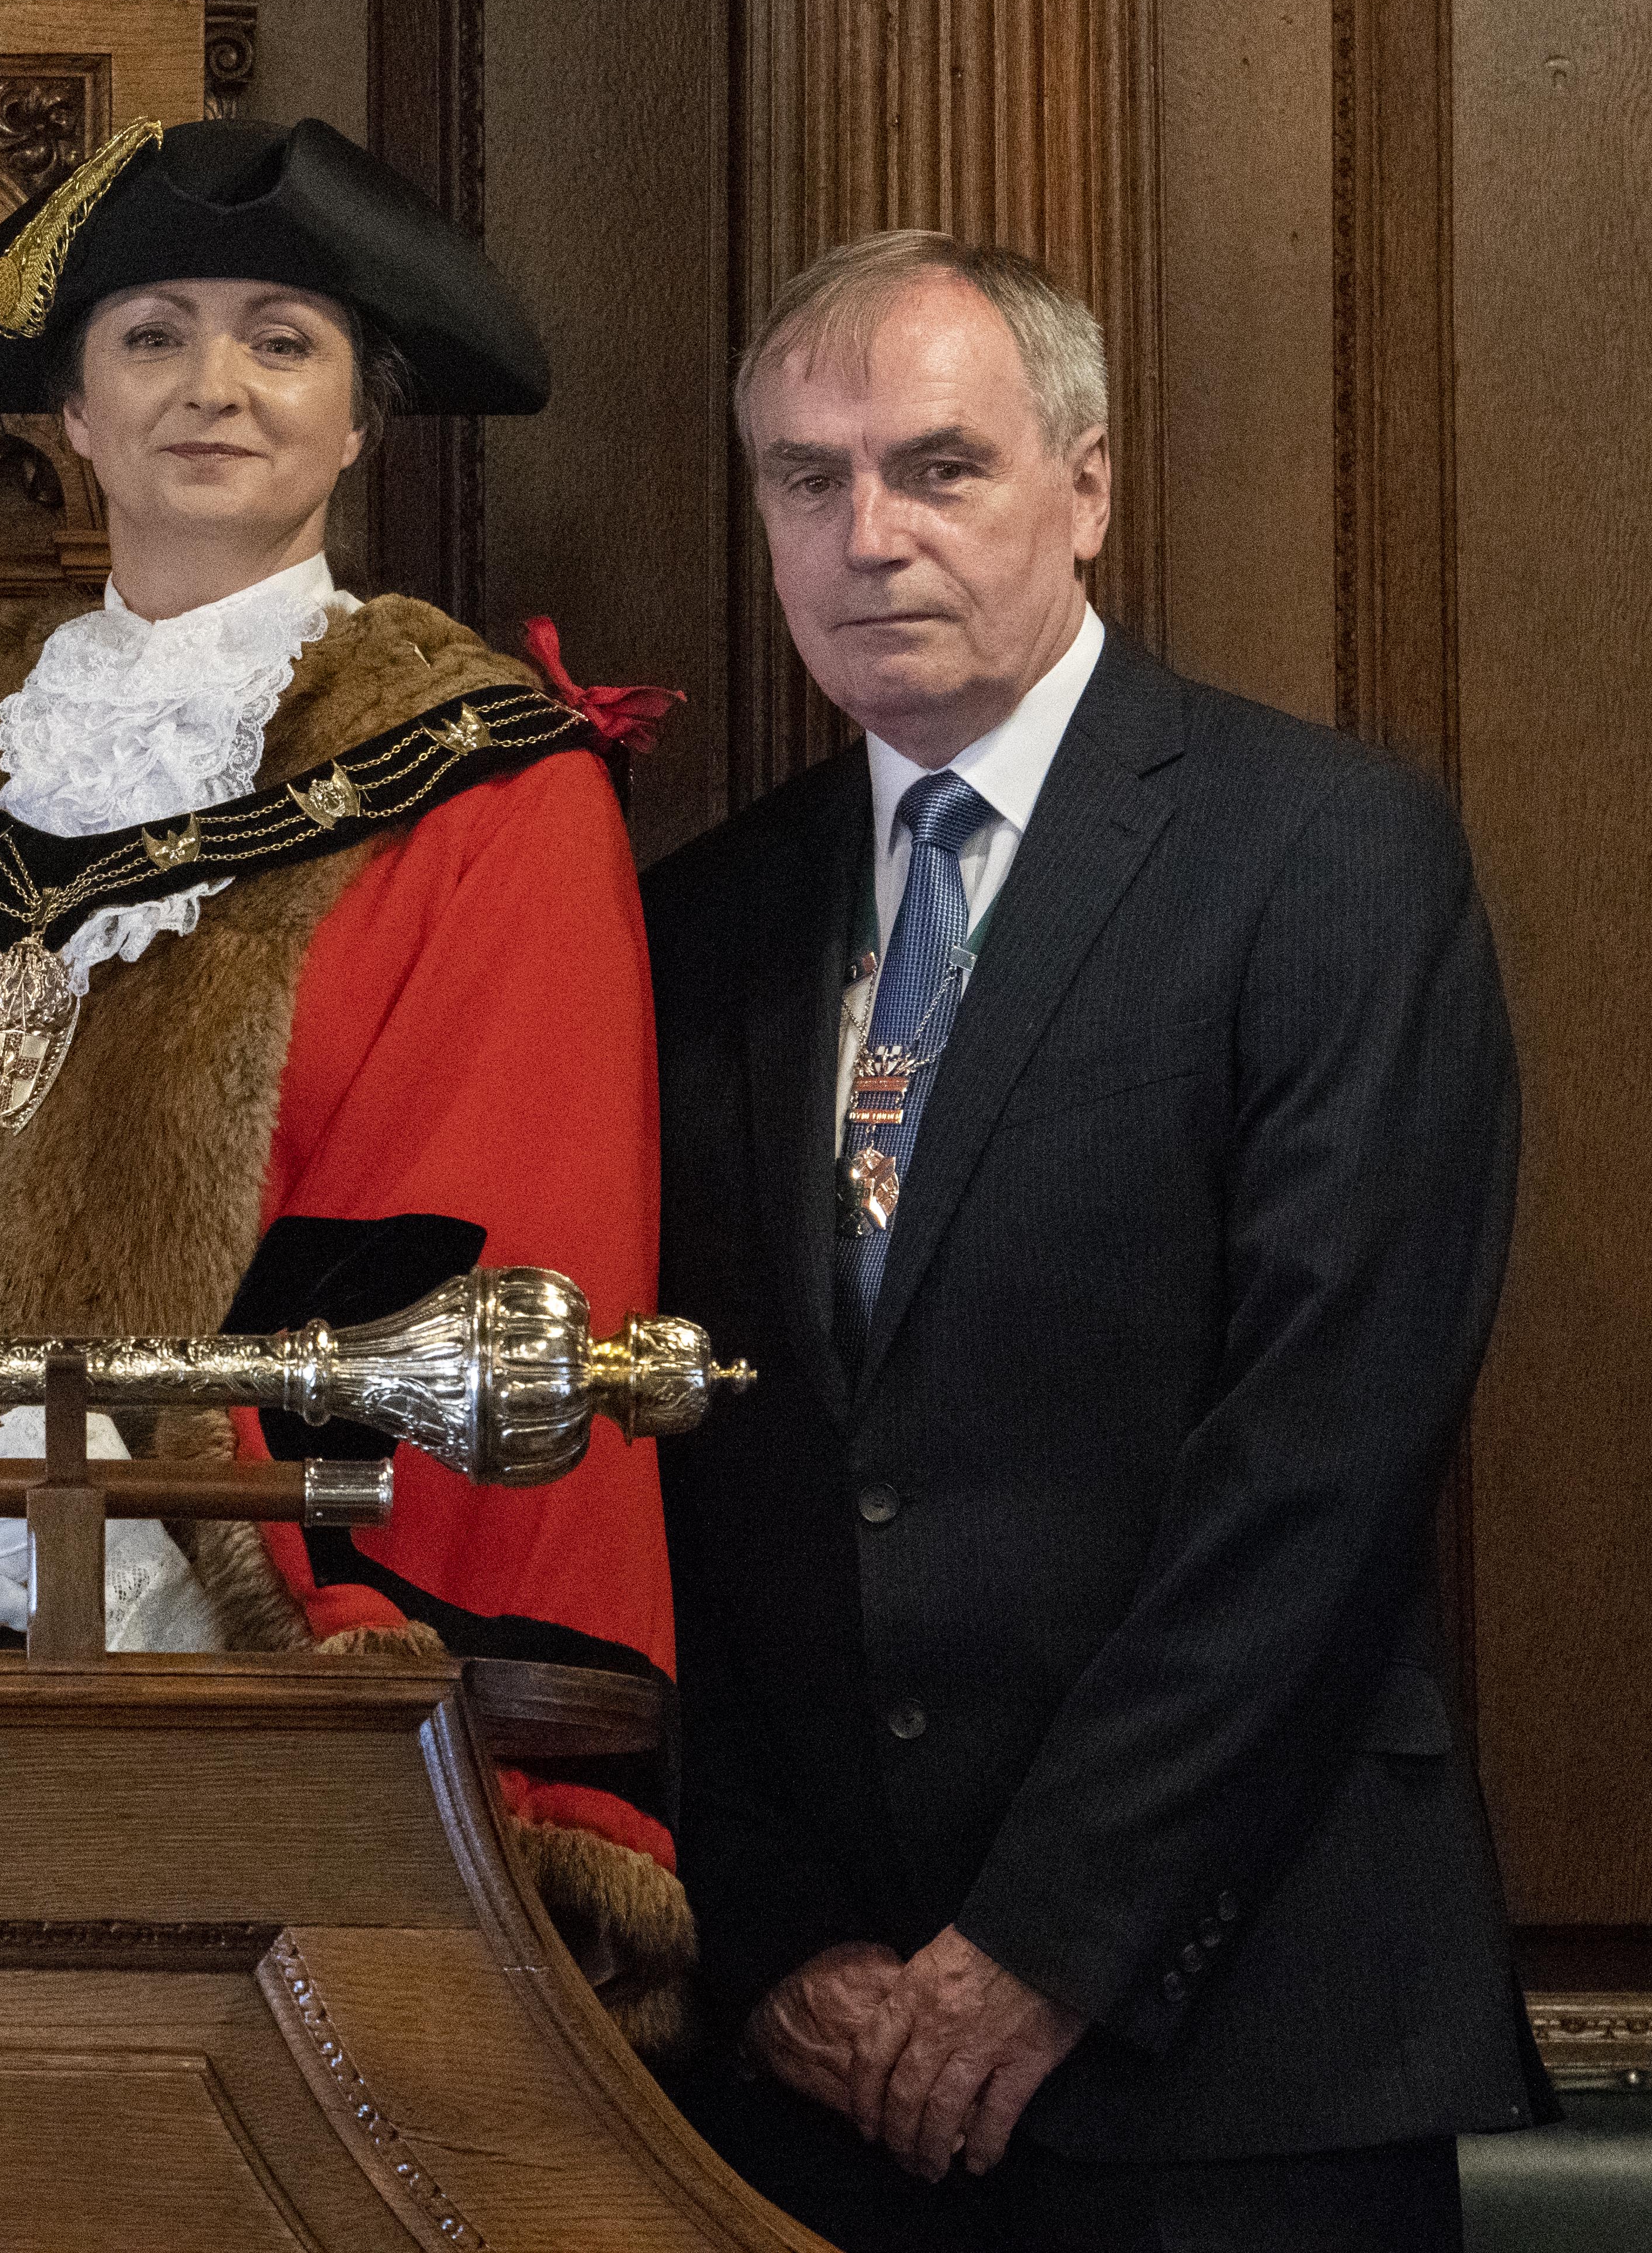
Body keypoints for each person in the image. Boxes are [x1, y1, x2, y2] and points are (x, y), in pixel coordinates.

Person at [0, 114, 697, 2050]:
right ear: (69, 409)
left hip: (232, 1718)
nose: (212, 387)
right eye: (151, 334)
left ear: (361, 420)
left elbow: (494, 1260)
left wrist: (118, 1509)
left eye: (281, 341)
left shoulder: (494, 789)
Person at [648, 233, 1546, 2249]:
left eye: (938, 467)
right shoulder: (699, 920)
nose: (867, 533)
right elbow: (672, 1480)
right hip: (815, 2061)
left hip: (1234, 2036)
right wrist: (784, 1936)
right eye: (808, 478)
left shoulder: (1323, 852)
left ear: (1089, 485)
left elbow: (1325, 1452)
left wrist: (1038, 1946)